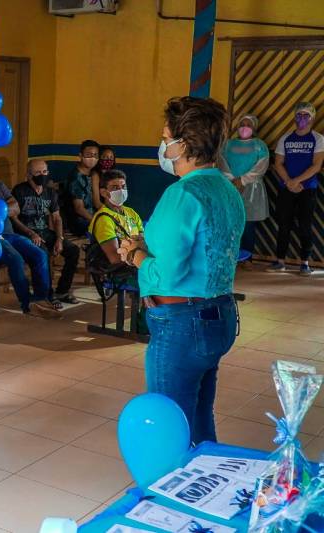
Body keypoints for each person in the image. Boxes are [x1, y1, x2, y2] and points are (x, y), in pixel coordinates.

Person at [116, 96, 245, 444]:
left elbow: (169, 274)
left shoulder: (183, 194)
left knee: (169, 423)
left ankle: (171, 491)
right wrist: (147, 244)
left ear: (184, 145)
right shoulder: (226, 189)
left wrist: (135, 256)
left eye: (165, 139)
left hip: (183, 323)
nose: (163, 147)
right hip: (219, 315)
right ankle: (205, 487)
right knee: (200, 417)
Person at [0, 155, 59, 318]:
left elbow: (16, 208)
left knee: (39, 254)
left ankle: (40, 299)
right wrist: (5, 209)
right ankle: (27, 304)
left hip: (9, 234)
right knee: (16, 259)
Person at [11, 159, 80, 307]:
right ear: (29, 175)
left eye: (44, 172)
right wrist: (31, 234)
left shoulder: (50, 193)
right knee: (43, 253)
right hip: (25, 234)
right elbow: (14, 218)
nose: (42, 175)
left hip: (45, 232)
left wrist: (59, 239)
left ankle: (62, 290)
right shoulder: (19, 190)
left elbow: (56, 217)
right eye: (37, 173)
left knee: (73, 250)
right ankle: (46, 295)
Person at [268, 102, 324, 275]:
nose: (302, 118)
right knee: (283, 224)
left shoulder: (318, 139)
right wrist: (289, 182)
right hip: (286, 188)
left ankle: (304, 263)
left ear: (312, 119)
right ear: (294, 117)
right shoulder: (285, 138)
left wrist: (297, 181)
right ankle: (280, 261)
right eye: (299, 114)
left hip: (307, 189)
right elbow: (278, 163)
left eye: (306, 115)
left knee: (305, 226)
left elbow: (316, 165)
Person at [218, 114, 270, 270]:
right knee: (229, 223)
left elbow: (262, 165)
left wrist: (243, 180)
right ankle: (229, 257)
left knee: (248, 224)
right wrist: (232, 179)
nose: (244, 127)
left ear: (254, 128)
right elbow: (221, 162)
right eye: (242, 124)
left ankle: (247, 258)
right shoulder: (227, 145)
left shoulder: (260, 146)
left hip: (251, 190)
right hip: (230, 186)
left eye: (248, 124)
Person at [89, 169, 144, 266]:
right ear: (103, 193)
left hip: (136, 262)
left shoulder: (131, 213)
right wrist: (140, 258)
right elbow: (114, 258)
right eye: (115, 188)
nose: (121, 191)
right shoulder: (104, 219)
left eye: (123, 187)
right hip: (120, 271)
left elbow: (143, 241)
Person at [67, 140, 100, 235]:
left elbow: (97, 202)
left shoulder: (92, 174)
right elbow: (79, 208)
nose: (92, 158)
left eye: (95, 155)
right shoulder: (75, 178)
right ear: (80, 156)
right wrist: (97, 221)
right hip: (80, 222)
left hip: (92, 217)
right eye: (88, 155)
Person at [91, 146, 116, 210]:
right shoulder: (95, 175)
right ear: (99, 158)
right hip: (99, 211)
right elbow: (96, 203)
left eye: (111, 157)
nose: (108, 160)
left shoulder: (113, 175)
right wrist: (111, 213)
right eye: (105, 157)